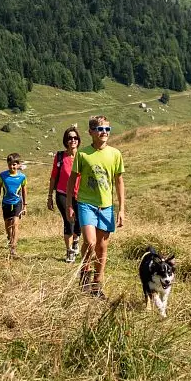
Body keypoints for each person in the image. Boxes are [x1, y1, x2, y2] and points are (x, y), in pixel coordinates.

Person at [65, 115, 125, 298]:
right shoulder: (83, 154)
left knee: (102, 247)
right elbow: (72, 180)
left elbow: (119, 182)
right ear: (91, 132)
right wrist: (69, 204)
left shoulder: (115, 154)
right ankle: (85, 273)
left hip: (106, 207)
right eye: (100, 129)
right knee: (90, 242)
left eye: (107, 129)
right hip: (86, 204)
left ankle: (97, 285)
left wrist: (121, 208)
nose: (104, 132)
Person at [46, 125, 82, 263]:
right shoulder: (60, 156)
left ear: (78, 140)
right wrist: (50, 196)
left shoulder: (82, 156)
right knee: (69, 221)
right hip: (63, 194)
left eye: (75, 138)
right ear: (66, 140)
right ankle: (69, 251)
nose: (72, 140)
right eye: (69, 138)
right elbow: (53, 177)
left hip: (80, 195)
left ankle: (76, 240)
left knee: (79, 223)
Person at [0, 152, 27, 259]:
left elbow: (24, 191)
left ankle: (13, 247)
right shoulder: (2, 176)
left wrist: (25, 205)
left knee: (15, 224)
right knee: (8, 225)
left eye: (14, 164)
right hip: (6, 203)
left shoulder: (22, 177)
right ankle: (9, 237)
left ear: (18, 165)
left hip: (17, 203)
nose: (12, 166)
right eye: (10, 164)